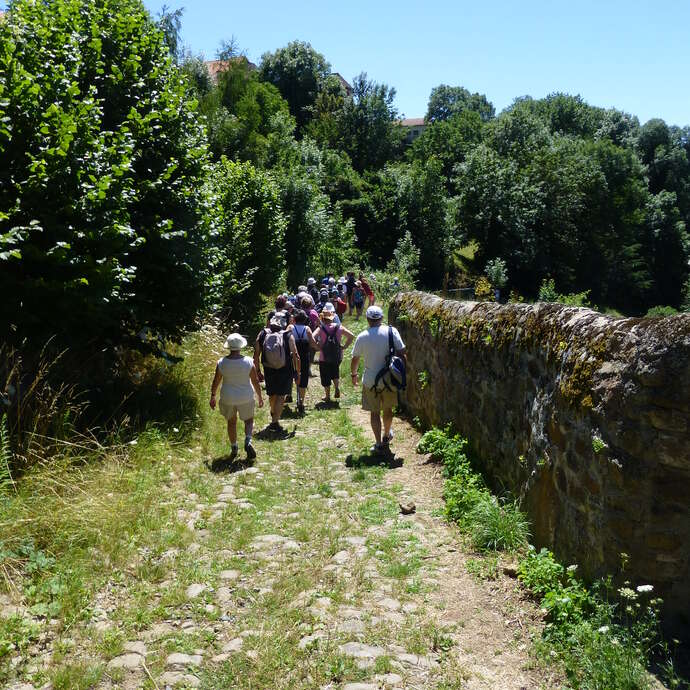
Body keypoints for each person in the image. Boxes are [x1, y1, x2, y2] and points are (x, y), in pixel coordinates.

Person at [350, 306, 406, 456]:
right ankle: (387, 435)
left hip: (370, 380)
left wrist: (353, 375)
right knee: (388, 409)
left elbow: (355, 358)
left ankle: (378, 443)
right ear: (381, 318)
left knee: (374, 412)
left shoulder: (362, 336)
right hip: (390, 378)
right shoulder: (391, 332)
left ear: (368, 319)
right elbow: (402, 352)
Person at [210, 333, 263, 460]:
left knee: (231, 422)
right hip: (245, 396)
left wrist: (212, 396)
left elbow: (215, 381)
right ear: (241, 346)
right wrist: (260, 396)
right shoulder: (249, 362)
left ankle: (234, 446)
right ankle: (248, 441)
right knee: (249, 420)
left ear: (229, 347)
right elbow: (255, 381)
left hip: (228, 397)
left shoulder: (221, 363)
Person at [254, 312, 300, 432]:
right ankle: (275, 422)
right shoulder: (287, 335)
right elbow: (295, 355)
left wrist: (257, 370)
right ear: (283, 324)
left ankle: (273, 412)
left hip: (268, 368)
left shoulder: (263, 334)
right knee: (281, 395)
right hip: (285, 369)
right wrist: (297, 372)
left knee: (272, 393)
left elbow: (256, 353)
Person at [315, 303, 354, 403]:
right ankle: (336, 387)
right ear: (332, 318)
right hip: (337, 355)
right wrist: (344, 346)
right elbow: (351, 336)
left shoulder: (321, 328)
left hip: (324, 356)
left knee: (325, 376)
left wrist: (317, 346)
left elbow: (311, 336)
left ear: (323, 318)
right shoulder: (339, 327)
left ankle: (327, 396)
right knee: (335, 372)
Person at [291, 309, 318, 413]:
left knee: (291, 374)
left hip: (292, 356)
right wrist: (319, 347)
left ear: (295, 319)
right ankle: (301, 402)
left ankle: (288, 395)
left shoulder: (290, 327)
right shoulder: (307, 329)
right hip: (304, 357)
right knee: (304, 378)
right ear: (305, 319)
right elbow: (312, 343)